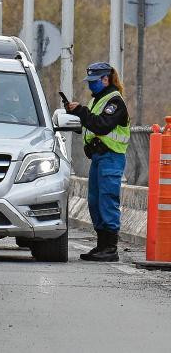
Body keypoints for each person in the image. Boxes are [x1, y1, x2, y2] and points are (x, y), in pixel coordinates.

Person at [66, 62, 130, 262]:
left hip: (111, 157)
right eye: (89, 82)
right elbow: (92, 125)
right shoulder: (99, 100)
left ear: (106, 79)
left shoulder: (114, 101)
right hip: (98, 158)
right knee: (94, 201)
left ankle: (110, 248)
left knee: (107, 200)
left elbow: (101, 126)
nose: (90, 85)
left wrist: (81, 112)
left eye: (94, 81)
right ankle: (101, 245)